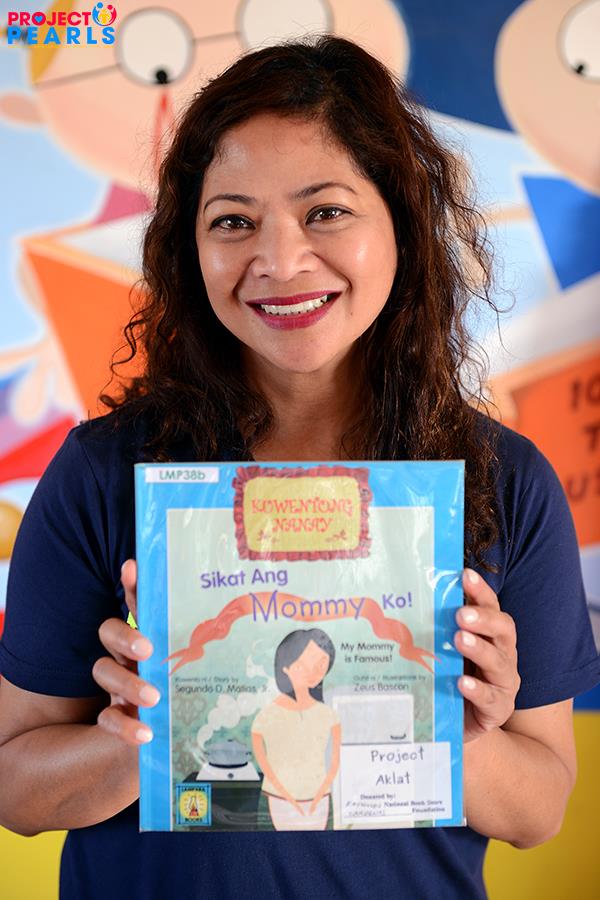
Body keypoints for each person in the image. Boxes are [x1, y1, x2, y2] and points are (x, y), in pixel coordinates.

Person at [0, 35, 597, 900]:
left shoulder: (504, 480)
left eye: (326, 212)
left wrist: (456, 733)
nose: (280, 261)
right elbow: (16, 791)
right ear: (189, 248)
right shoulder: (104, 473)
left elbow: (537, 812)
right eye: (233, 221)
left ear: (402, 223)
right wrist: (140, 735)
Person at [251, 628, 341, 831]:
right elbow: (265, 766)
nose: (314, 671)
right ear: (286, 666)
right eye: (304, 664)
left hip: (320, 803)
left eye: (321, 665)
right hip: (275, 800)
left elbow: (334, 763)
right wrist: (287, 797)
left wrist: (320, 794)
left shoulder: (329, 716)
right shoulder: (266, 716)